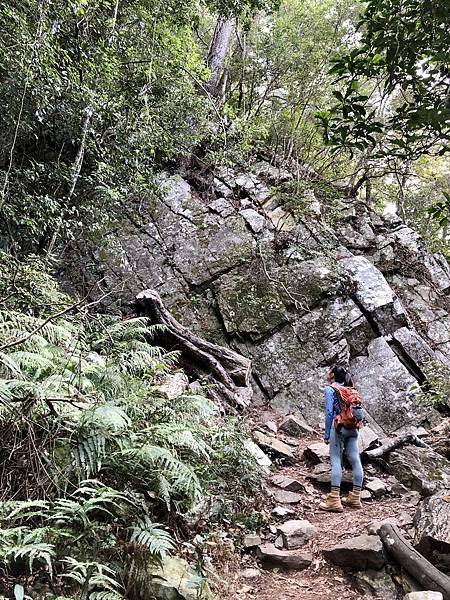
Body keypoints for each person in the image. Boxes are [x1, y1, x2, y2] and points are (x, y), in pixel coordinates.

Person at [319, 365, 364, 512]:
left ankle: (334, 499)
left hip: (338, 427)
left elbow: (329, 412)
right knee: (355, 460)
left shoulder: (330, 389)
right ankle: (355, 497)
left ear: (332, 374)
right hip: (353, 428)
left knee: (336, 461)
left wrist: (327, 434)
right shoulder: (351, 389)